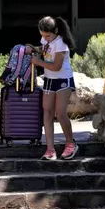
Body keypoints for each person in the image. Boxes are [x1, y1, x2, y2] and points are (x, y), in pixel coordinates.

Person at [27, 16, 78, 160]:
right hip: (49, 80)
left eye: (48, 36)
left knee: (61, 113)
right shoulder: (46, 40)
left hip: (63, 80)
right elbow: (44, 50)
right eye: (42, 36)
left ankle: (70, 144)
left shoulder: (61, 43)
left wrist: (38, 62)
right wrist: (33, 49)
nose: (45, 39)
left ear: (55, 31)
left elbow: (56, 66)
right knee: (47, 112)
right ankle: (50, 149)